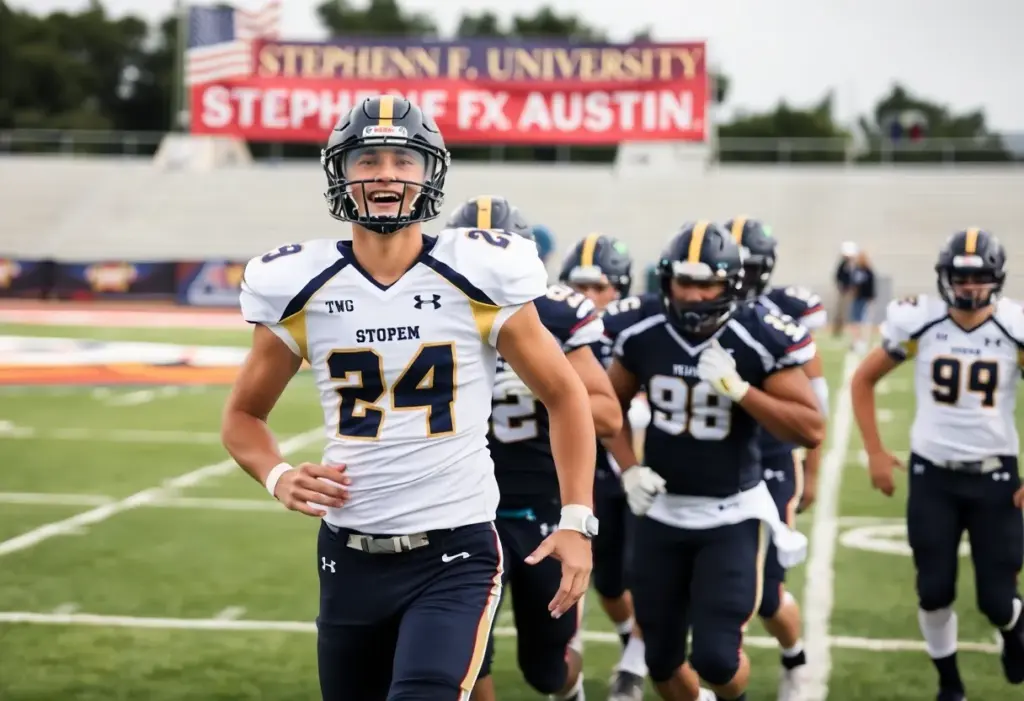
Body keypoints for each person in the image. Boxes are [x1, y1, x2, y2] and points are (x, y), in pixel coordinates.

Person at [220, 96, 598, 701]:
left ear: (430, 173)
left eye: (404, 160)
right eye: (368, 159)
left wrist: (577, 519)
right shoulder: (300, 285)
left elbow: (566, 395)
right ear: (341, 172)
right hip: (348, 554)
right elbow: (243, 415)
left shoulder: (478, 272)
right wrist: (277, 475)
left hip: (456, 548)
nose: (386, 174)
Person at [602, 221, 824, 701]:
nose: (692, 294)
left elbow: (811, 427)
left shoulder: (758, 333)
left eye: (706, 283)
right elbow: (605, 409)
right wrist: (629, 467)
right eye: (683, 281)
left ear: (732, 285)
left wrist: (742, 392)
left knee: (717, 659)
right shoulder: (643, 328)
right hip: (661, 512)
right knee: (661, 661)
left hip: (730, 513)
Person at [441, 196, 619, 701]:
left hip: (540, 508)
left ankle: (570, 686)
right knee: (465, 658)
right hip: (462, 511)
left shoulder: (557, 315)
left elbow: (607, 414)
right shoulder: (428, 310)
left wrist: (544, 388)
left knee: (545, 670)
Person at [850, 228, 1024, 701]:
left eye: (978, 277)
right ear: (944, 277)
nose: (968, 287)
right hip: (934, 477)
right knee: (933, 590)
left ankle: (1013, 629)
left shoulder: (1013, 327)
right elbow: (863, 380)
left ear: (997, 279)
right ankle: (950, 684)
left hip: (995, 476)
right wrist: (875, 451)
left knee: (997, 600)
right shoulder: (919, 322)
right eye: (960, 277)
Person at [725, 217, 830, 701]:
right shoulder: (689, 313)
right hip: (717, 468)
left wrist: (812, 471)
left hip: (770, 460)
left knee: (767, 595)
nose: (736, 277)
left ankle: (794, 657)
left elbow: (815, 407)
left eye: (746, 267)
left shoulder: (783, 316)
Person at [559, 234, 647, 701]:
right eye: (580, 286)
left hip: (634, 473)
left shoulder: (636, 332)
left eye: (600, 287)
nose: (589, 296)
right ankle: (580, 654)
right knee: (594, 580)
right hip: (574, 473)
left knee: (633, 576)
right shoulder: (554, 327)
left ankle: (634, 661)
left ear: (620, 289)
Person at [847, 250, 876, 353]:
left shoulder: (868, 271)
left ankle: (864, 341)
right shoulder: (856, 270)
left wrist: (870, 299)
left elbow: (871, 286)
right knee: (855, 320)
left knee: (864, 320)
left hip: (865, 299)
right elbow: (852, 283)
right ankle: (856, 341)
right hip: (857, 299)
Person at [832, 241, 857, 337]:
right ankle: (838, 330)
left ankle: (849, 329)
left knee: (851, 311)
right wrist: (842, 287)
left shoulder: (855, 265)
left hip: (853, 291)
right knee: (841, 311)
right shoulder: (843, 265)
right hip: (844, 291)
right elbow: (838, 276)